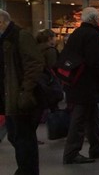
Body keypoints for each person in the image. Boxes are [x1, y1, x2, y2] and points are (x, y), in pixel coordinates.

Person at [62, 7, 99, 164]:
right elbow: (94, 61)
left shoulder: (76, 33)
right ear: (95, 19)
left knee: (91, 115)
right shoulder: (92, 35)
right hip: (86, 83)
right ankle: (71, 152)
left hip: (75, 81)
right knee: (81, 117)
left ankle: (96, 146)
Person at [1, 9, 44, 174]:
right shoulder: (6, 39)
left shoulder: (20, 36)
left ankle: (28, 171)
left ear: (2, 21)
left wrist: (25, 91)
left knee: (23, 137)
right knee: (14, 135)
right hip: (10, 96)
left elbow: (34, 63)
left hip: (20, 96)